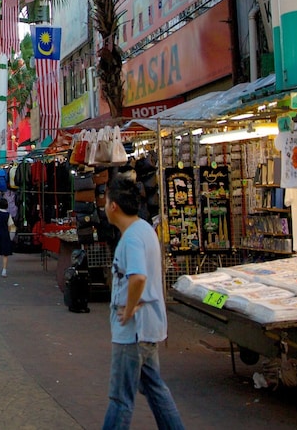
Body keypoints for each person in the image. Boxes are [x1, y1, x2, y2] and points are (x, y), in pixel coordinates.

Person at [102, 178, 184, 430]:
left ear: (114, 206)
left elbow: (138, 276)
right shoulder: (144, 229)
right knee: (154, 388)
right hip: (147, 329)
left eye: (105, 201)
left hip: (133, 332)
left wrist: (128, 308)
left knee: (120, 399)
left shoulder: (132, 238)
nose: (103, 207)